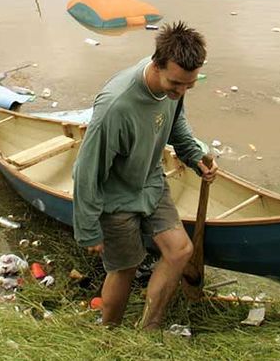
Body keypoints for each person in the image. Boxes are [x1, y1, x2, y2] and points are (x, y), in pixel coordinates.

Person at [73, 22, 218, 329]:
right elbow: (86, 169)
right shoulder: (116, 106)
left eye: (188, 86)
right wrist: (88, 228)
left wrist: (193, 156)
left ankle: (148, 329)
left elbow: (176, 121)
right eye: (175, 84)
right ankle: (109, 334)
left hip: (150, 181)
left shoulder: (175, 85)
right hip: (115, 195)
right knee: (126, 267)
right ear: (156, 64)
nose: (180, 92)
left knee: (180, 251)